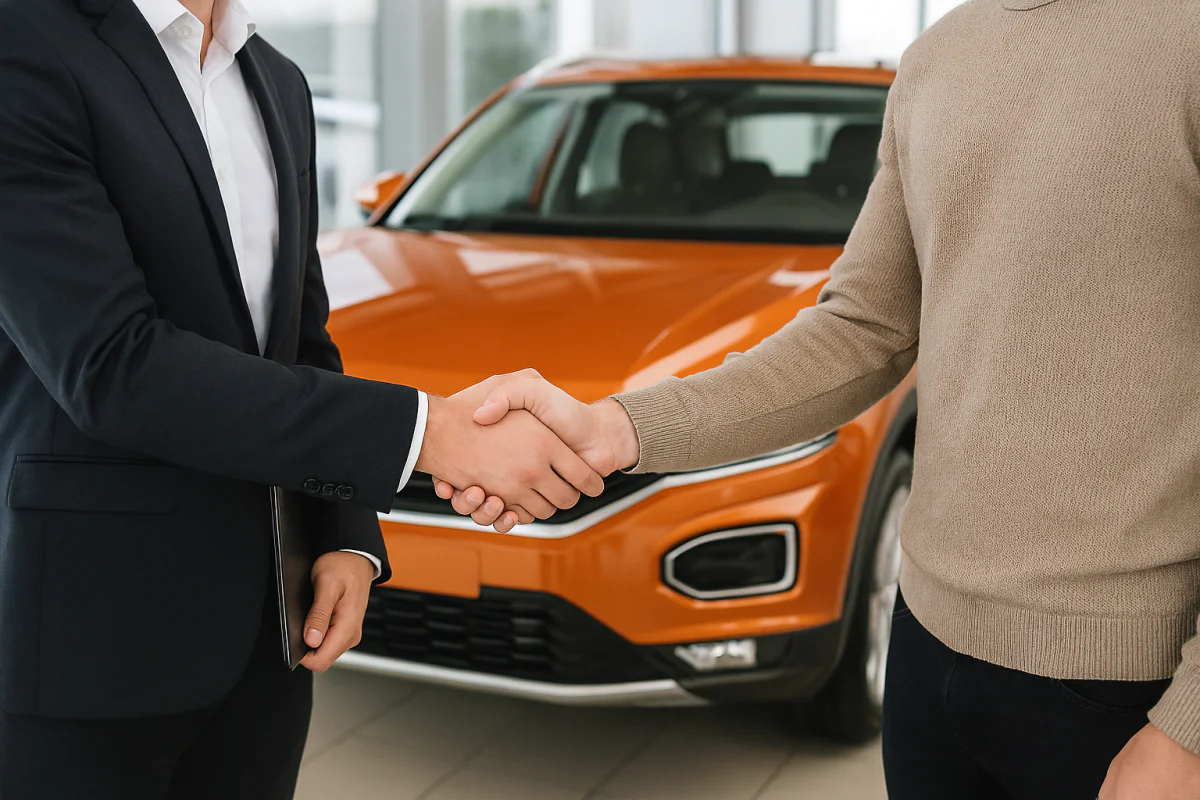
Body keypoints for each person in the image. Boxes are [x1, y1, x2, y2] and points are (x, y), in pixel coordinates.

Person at [434, 1, 1200, 798]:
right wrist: (616, 429)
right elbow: (861, 331)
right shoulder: (940, 57)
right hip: (927, 643)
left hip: (1131, 682)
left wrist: (1189, 728)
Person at [0, 0, 602, 797]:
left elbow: (300, 337)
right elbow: (111, 363)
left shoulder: (277, 81)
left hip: (266, 643)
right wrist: (433, 435)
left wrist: (345, 536)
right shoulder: (24, 46)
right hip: (89, 635)